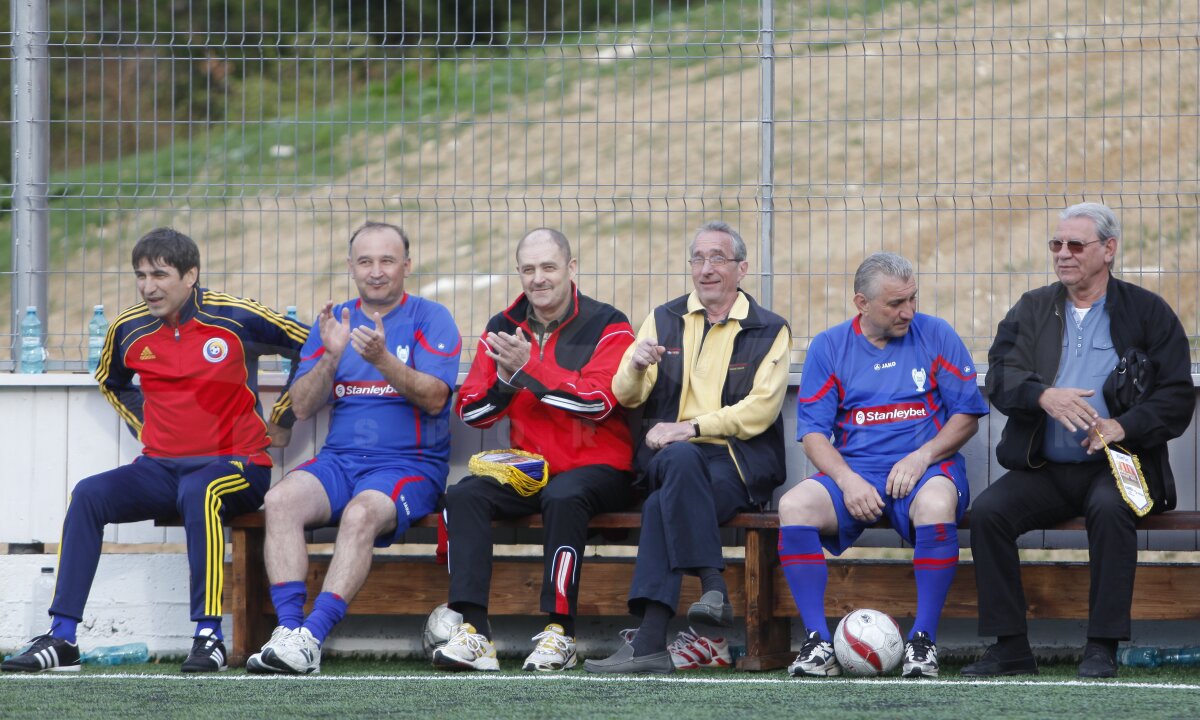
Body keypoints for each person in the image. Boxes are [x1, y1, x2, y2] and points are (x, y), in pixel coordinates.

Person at [1, 228, 307, 674]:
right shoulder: (128, 328)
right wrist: (148, 425)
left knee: (200, 491)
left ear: (191, 275)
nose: (148, 287)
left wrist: (281, 417)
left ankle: (208, 636)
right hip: (161, 468)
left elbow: (311, 342)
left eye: (160, 275)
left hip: (239, 464)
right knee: (89, 494)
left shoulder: (234, 317)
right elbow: (111, 379)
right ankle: (62, 637)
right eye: (141, 275)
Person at [962, 202, 1193, 679]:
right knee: (987, 514)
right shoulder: (1031, 309)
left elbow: (1175, 398)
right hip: (1045, 467)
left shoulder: (1147, 312)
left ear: (1108, 250)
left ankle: (1101, 646)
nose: (1063, 254)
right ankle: (1010, 648)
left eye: (1075, 245)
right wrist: (1042, 395)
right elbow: (1001, 377)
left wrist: (1120, 426)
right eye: (1056, 245)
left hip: (1118, 464)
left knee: (1110, 511)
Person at [245, 221, 461, 675]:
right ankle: (290, 633)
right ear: (351, 267)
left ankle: (313, 636)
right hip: (340, 462)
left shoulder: (430, 317)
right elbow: (302, 407)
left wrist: (383, 359)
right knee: (279, 500)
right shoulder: (334, 321)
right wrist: (330, 355)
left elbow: (437, 397)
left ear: (407, 265)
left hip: (410, 466)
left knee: (362, 513)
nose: (376, 272)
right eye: (365, 262)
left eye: (387, 261)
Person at [585, 220, 791, 674]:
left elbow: (760, 411)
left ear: (742, 268)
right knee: (677, 462)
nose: (706, 269)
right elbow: (627, 395)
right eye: (697, 258)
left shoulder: (770, 329)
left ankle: (650, 644)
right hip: (668, 455)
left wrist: (691, 427)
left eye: (718, 258)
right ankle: (712, 585)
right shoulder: (663, 319)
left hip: (735, 462)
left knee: (663, 505)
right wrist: (636, 366)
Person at [431, 228, 636, 672]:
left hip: (602, 467)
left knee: (564, 496)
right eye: (528, 269)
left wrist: (530, 371)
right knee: (463, 494)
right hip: (531, 470)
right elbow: (471, 409)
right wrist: (507, 383)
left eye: (548, 267)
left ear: (571, 268)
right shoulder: (501, 328)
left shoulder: (610, 323)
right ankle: (474, 632)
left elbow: (597, 403)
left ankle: (561, 633)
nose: (538, 278)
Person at [778, 252, 988, 679]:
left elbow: (966, 415)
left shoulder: (936, 334)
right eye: (895, 304)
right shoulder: (829, 346)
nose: (908, 311)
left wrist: (922, 455)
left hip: (927, 468)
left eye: (913, 298)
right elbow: (814, 434)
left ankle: (923, 642)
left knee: (934, 505)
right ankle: (818, 643)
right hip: (856, 471)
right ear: (862, 303)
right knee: (793, 506)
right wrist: (846, 479)